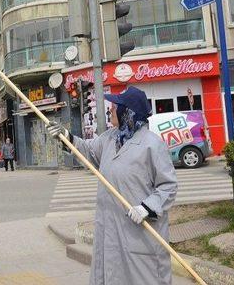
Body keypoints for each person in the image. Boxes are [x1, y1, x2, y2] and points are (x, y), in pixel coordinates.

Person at [46, 86, 177, 285]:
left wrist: (147, 207)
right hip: (110, 231)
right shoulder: (110, 138)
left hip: (139, 236)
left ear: (129, 112)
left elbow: (168, 186)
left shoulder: (152, 145)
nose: (110, 111)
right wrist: (67, 137)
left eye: (115, 107)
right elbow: (88, 151)